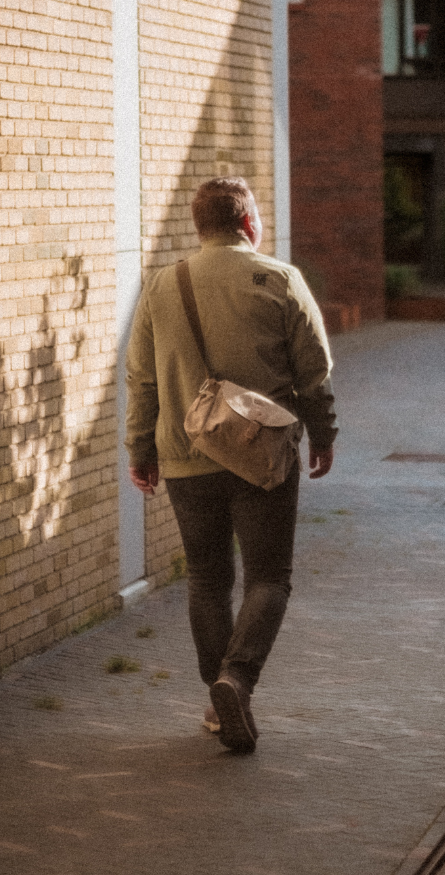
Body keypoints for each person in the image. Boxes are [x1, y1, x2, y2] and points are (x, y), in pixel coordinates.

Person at [124, 176, 336, 754]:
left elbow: (141, 377)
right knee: (269, 577)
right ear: (248, 224)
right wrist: (323, 434)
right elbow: (314, 372)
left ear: (200, 226)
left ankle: (218, 706)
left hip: (187, 454)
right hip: (263, 458)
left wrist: (141, 450)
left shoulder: (162, 285)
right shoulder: (280, 279)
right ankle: (235, 680)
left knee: (208, 578)